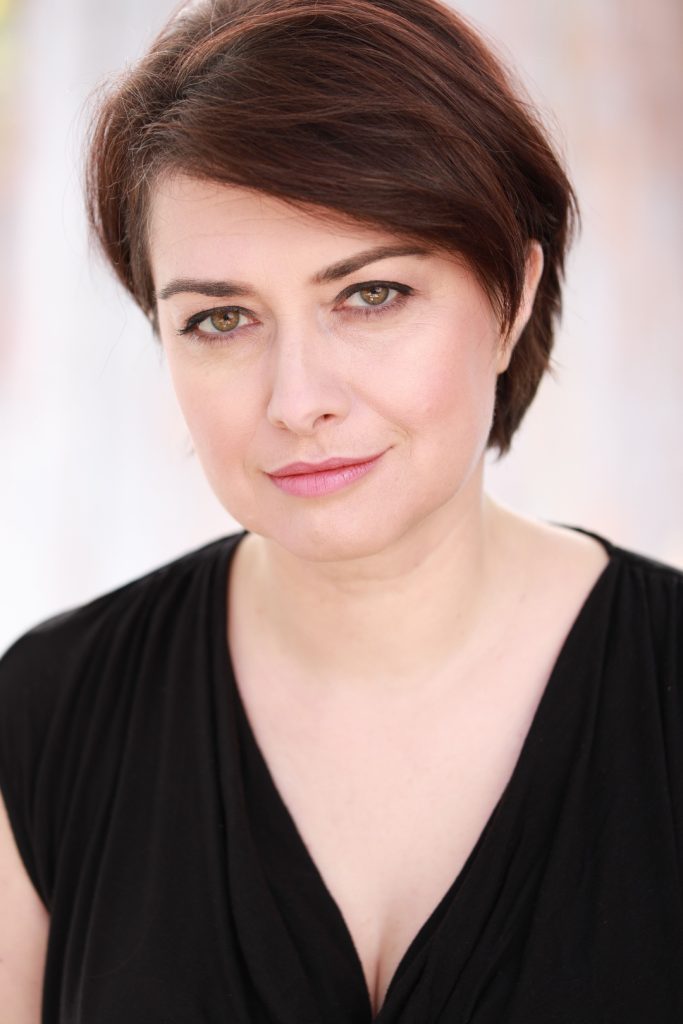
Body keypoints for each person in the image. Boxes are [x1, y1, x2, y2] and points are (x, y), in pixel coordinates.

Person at [0, 0, 681, 1020]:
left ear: (511, 297)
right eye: (220, 318)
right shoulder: (47, 715)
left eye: (369, 295)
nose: (297, 399)